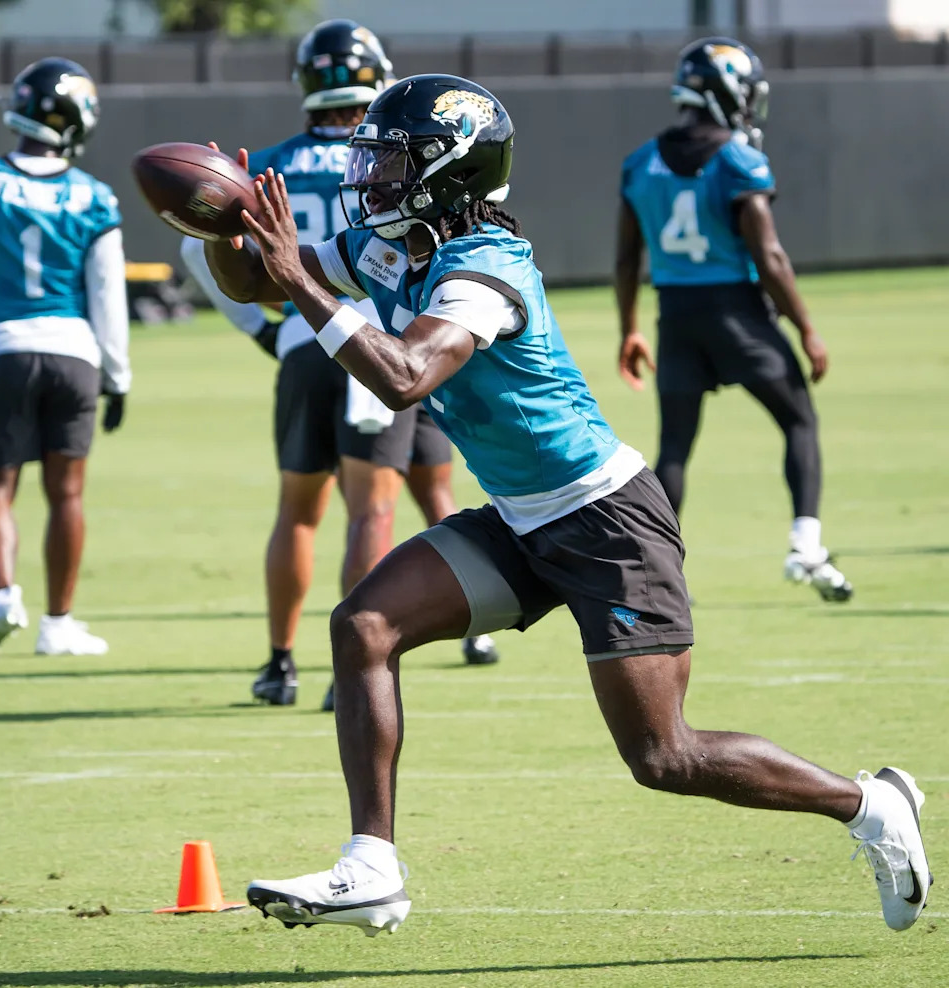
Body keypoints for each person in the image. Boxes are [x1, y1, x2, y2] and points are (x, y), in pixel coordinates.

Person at [199, 74, 930, 938]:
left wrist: (297, 278)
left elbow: (403, 377)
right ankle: (373, 867)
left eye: (390, 162)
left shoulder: (489, 266)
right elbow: (256, 285)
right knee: (363, 625)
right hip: (520, 516)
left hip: (606, 520)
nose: (368, 179)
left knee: (663, 756)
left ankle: (870, 804)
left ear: (449, 174)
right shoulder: (387, 244)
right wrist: (220, 223)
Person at [180, 21, 497, 709]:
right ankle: (350, 667)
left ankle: (279, 664)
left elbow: (200, 253)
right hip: (370, 344)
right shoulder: (392, 159)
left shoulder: (266, 161)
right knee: (370, 515)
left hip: (300, 343)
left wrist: (264, 333)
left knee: (296, 512)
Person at [615, 38, 853, 603]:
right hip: (738, 314)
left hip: (674, 314)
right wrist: (806, 327)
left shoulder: (639, 162)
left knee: (675, 446)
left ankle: (657, 570)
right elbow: (768, 257)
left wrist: (630, 327)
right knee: (798, 420)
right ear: (730, 92)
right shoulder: (739, 161)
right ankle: (806, 546)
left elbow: (627, 258)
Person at [0, 57, 130, 661]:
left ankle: (0, 597)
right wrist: (118, 376)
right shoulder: (94, 195)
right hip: (75, 354)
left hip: (5, 348)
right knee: (66, 493)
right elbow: (107, 293)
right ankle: (58, 623)